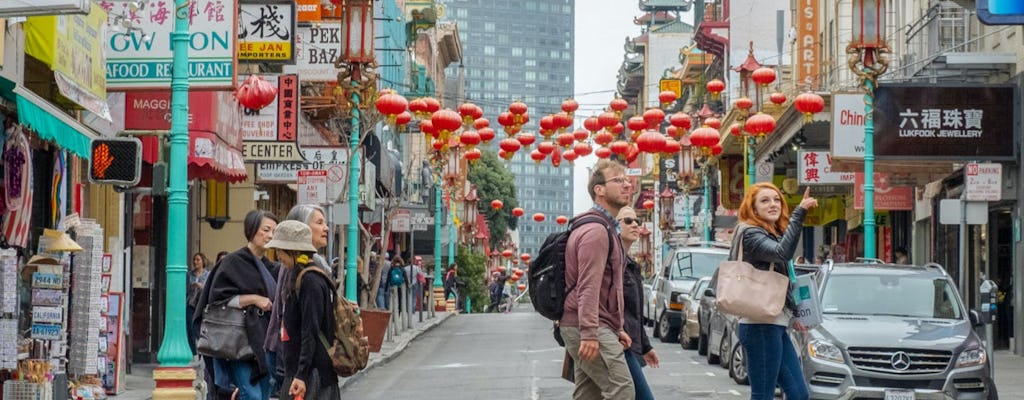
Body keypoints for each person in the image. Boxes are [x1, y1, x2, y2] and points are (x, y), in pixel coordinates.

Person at [733, 183, 818, 400]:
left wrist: (795, 311)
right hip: (759, 325)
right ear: (753, 208)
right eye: (765, 200)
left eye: (777, 199)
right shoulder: (751, 234)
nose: (773, 204)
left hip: (775, 324)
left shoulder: (771, 234)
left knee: (799, 394)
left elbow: (787, 277)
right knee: (763, 395)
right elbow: (782, 253)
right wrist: (799, 213)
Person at [561, 160, 635, 400]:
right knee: (622, 390)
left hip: (593, 324)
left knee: (588, 395)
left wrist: (617, 326)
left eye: (626, 180)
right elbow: (588, 287)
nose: (627, 185)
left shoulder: (604, 227)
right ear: (599, 190)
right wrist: (591, 333)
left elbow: (607, 286)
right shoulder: (596, 231)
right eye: (618, 180)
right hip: (588, 326)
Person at [194, 210, 280, 400]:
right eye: (265, 230)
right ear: (252, 229)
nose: (270, 236)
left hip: (264, 341)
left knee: (264, 394)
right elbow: (217, 301)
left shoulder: (273, 267)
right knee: (251, 395)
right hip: (239, 342)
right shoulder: (232, 263)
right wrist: (254, 299)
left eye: (274, 231)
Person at [264, 220, 340, 400]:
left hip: (312, 376)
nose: (278, 256)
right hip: (304, 373)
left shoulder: (309, 281)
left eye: (280, 250)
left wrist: (301, 375)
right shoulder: (300, 276)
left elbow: (310, 331)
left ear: (293, 250)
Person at [616, 207, 659, 400]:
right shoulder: (611, 261)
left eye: (637, 221)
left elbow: (635, 314)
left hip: (629, 344)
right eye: (627, 220)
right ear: (614, 226)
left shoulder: (630, 264)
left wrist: (646, 347)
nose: (634, 224)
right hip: (616, 343)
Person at [187, 252, 211, 355]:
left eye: (198, 260)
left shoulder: (208, 274)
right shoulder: (190, 274)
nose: (195, 262)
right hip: (191, 303)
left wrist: (200, 286)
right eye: (194, 260)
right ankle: (194, 353)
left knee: (201, 328)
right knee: (191, 328)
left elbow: (209, 288)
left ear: (203, 261)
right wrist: (192, 286)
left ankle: (203, 351)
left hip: (202, 305)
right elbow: (185, 288)